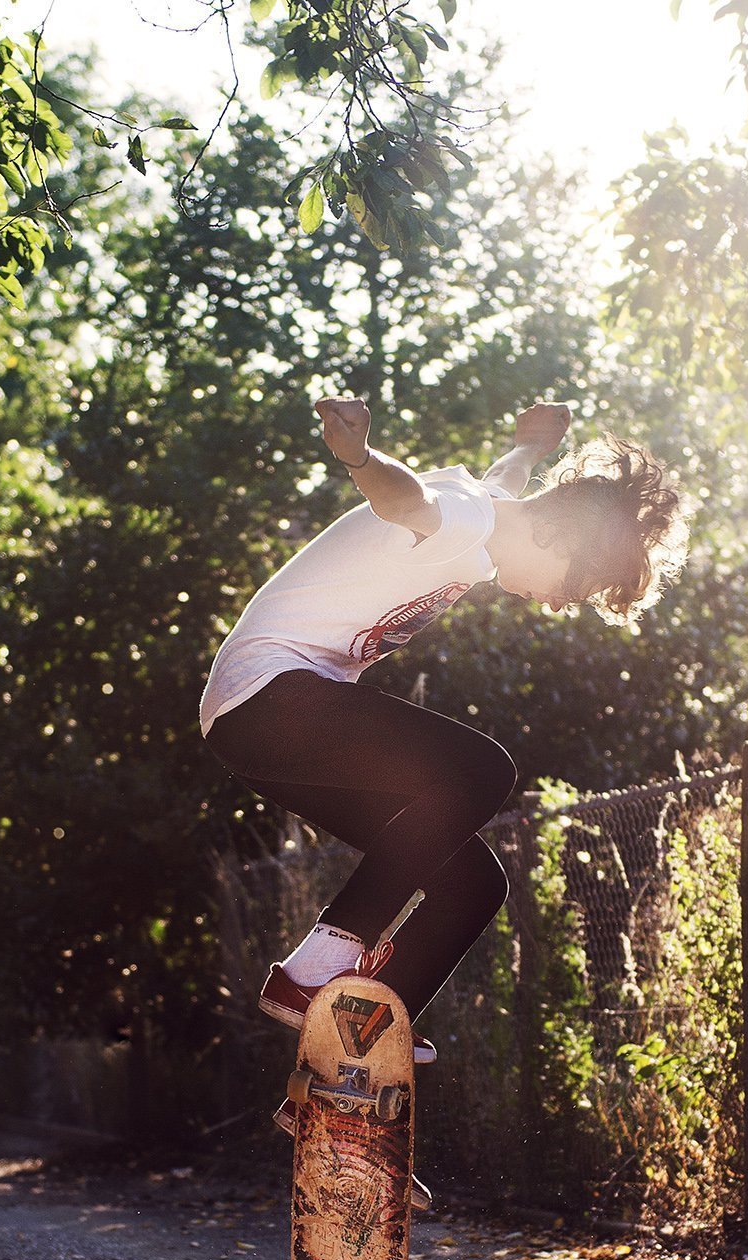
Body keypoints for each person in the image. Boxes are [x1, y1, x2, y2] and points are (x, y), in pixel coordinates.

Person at [199, 394, 685, 1075]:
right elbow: (404, 500)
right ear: (560, 537)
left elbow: (506, 480)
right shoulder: (464, 517)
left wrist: (530, 447)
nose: (552, 605)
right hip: (271, 698)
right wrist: (360, 459)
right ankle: (321, 962)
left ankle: (352, 1059)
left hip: (262, 726)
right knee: (483, 771)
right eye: (571, 589)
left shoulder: (491, 517)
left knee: (472, 883)